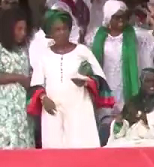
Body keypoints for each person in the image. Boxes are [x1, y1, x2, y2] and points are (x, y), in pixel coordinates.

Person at [28, 10, 109, 149]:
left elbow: (99, 78)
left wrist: (86, 81)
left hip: (79, 107)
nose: (62, 33)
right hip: (53, 109)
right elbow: (36, 83)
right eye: (57, 30)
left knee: (82, 148)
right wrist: (43, 98)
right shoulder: (44, 55)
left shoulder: (82, 51)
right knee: (55, 150)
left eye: (65, 28)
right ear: (50, 33)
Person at [0, 7, 34, 149]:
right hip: (2, 108)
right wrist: (20, 78)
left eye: (24, 29)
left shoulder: (21, 49)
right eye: (19, 29)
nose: (23, 33)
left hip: (21, 109)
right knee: (5, 146)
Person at [91, 0, 154, 114]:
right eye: (116, 17)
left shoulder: (136, 35)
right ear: (108, 18)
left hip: (125, 85)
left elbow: (153, 38)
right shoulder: (95, 37)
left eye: (123, 16)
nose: (121, 19)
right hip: (106, 83)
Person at [107, 68, 154, 146]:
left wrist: (146, 120)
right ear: (142, 83)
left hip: (152, 143)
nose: (152, 84)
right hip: (130, 141)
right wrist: (119, 123)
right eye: (148, 81)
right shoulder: (133, 102)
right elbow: (121, 132)